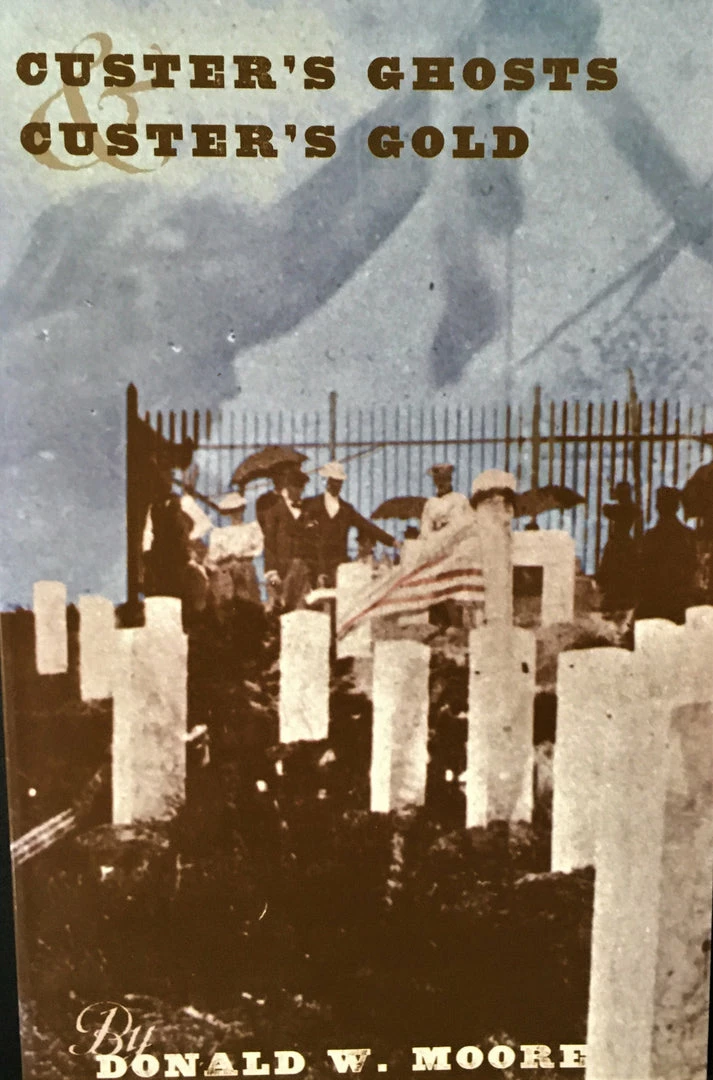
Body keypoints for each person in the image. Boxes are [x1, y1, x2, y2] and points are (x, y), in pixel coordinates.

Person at [302, 461, 399, 586]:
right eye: (333, 481)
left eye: (339, 482)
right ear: (326, 481)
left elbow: (366, 525)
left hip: (339, 566)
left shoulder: (346, 509)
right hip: (315, 567)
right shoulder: (311, 505)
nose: (336, 485)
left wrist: (392, 541)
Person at [637, 486, 697, 624]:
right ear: (677, 507)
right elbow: (693, 567)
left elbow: (643, 572)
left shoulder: (651, 536)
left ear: (657, 507)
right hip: (681, 604)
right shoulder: (688, 535)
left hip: (654, 604)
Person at [262, 466, 317, 611]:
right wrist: (272, 572)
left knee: (302, 611)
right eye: (296, 487)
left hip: (303, 572)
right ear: (288, 487)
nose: (299, 492)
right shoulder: (273, 512)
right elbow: (269, 544)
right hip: (282, 572)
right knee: (281, 610)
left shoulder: (306, 511)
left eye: (301, 488)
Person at [206, 492, 263, 610]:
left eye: (239, 509)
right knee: (227, 600)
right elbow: (213, 554)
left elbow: (258, 548)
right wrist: (225, 557)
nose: (236, 513)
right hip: (226, 569)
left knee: (248, 600)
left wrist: (243, 555)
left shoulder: (251, 528)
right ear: (229, 512)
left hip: (245, 568)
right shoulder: (220, 532)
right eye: (233, 511)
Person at [596, 480, 641, 613]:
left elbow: (606, 509)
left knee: (612, 571)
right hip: (627, 542)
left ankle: (612, 601)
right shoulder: (633, 508)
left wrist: (612, 496)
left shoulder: (618, 509)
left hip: (617, 542)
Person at [420, 463, 473, 536]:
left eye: (444, 479)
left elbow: (458, 527)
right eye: (437, 480)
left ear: (450, 479)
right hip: (433, 541)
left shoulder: (459, 499)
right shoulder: (430, 503)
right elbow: (425, 529)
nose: (440, 483)